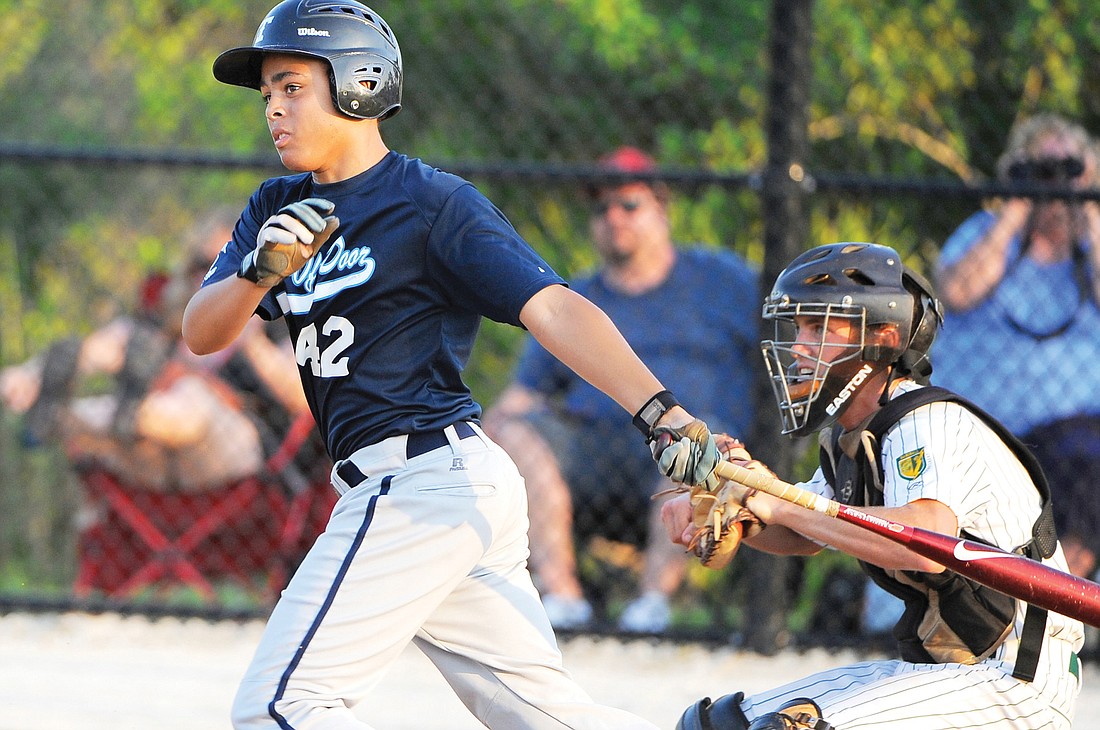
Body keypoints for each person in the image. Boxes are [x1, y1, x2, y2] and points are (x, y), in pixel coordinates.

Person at [183, 3, 720, 728]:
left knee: (282, 707)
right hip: (427, 490)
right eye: (268, 94)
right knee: (546, 718)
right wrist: (260, 271)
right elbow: (201, 331)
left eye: (292, 86)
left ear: (358, 84)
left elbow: (555, 308)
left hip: (423, 481)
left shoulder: (430, 205)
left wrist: (662, 413)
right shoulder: (276, 206)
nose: (273, 108)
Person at [659, 242, 1084, 729]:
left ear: (881, 336)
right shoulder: (854, 439)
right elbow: (806, 532)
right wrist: (740, 506)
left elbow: (927, 541)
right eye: (798, 327)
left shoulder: (927, 419)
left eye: (819, 328)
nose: (798, 348)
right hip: (950, 673)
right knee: (714, 725)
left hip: (1016, 679)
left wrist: (772, 501)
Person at [484, 146, 758, 633]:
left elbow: (778, 349)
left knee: (693, 435)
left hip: (689, 445)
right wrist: (490, 431)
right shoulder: (575, 299)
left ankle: (652, 606)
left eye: (628, 205)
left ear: (662, 209)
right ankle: (563, 599)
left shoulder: (723, 281)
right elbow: (522, 397)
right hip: (593, 451)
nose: (614, 218)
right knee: (516, 432)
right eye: (601, 208)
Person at [0, 209, 306, 493]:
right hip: (153, 459)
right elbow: (109, 345)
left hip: (231, 454)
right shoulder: (168, 321)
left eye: (233, 264)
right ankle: (56, 412)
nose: (212, 274)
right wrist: (28, 375)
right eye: (205, 264)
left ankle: (132, 413)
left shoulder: (273, 319)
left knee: (191, 395)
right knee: (129, 357)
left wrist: (250, 338)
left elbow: (302, 398)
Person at [932, 112, 1100, 580]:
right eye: (1042, 169)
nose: (1056, 183)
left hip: (1080, 441)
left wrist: (1087, 206)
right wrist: (1015, 213)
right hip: (990, 433)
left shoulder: (1093, 247)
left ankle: (1052, 592)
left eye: (1068, 167)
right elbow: (957, 291)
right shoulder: (986, 233)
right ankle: (1047, 596)